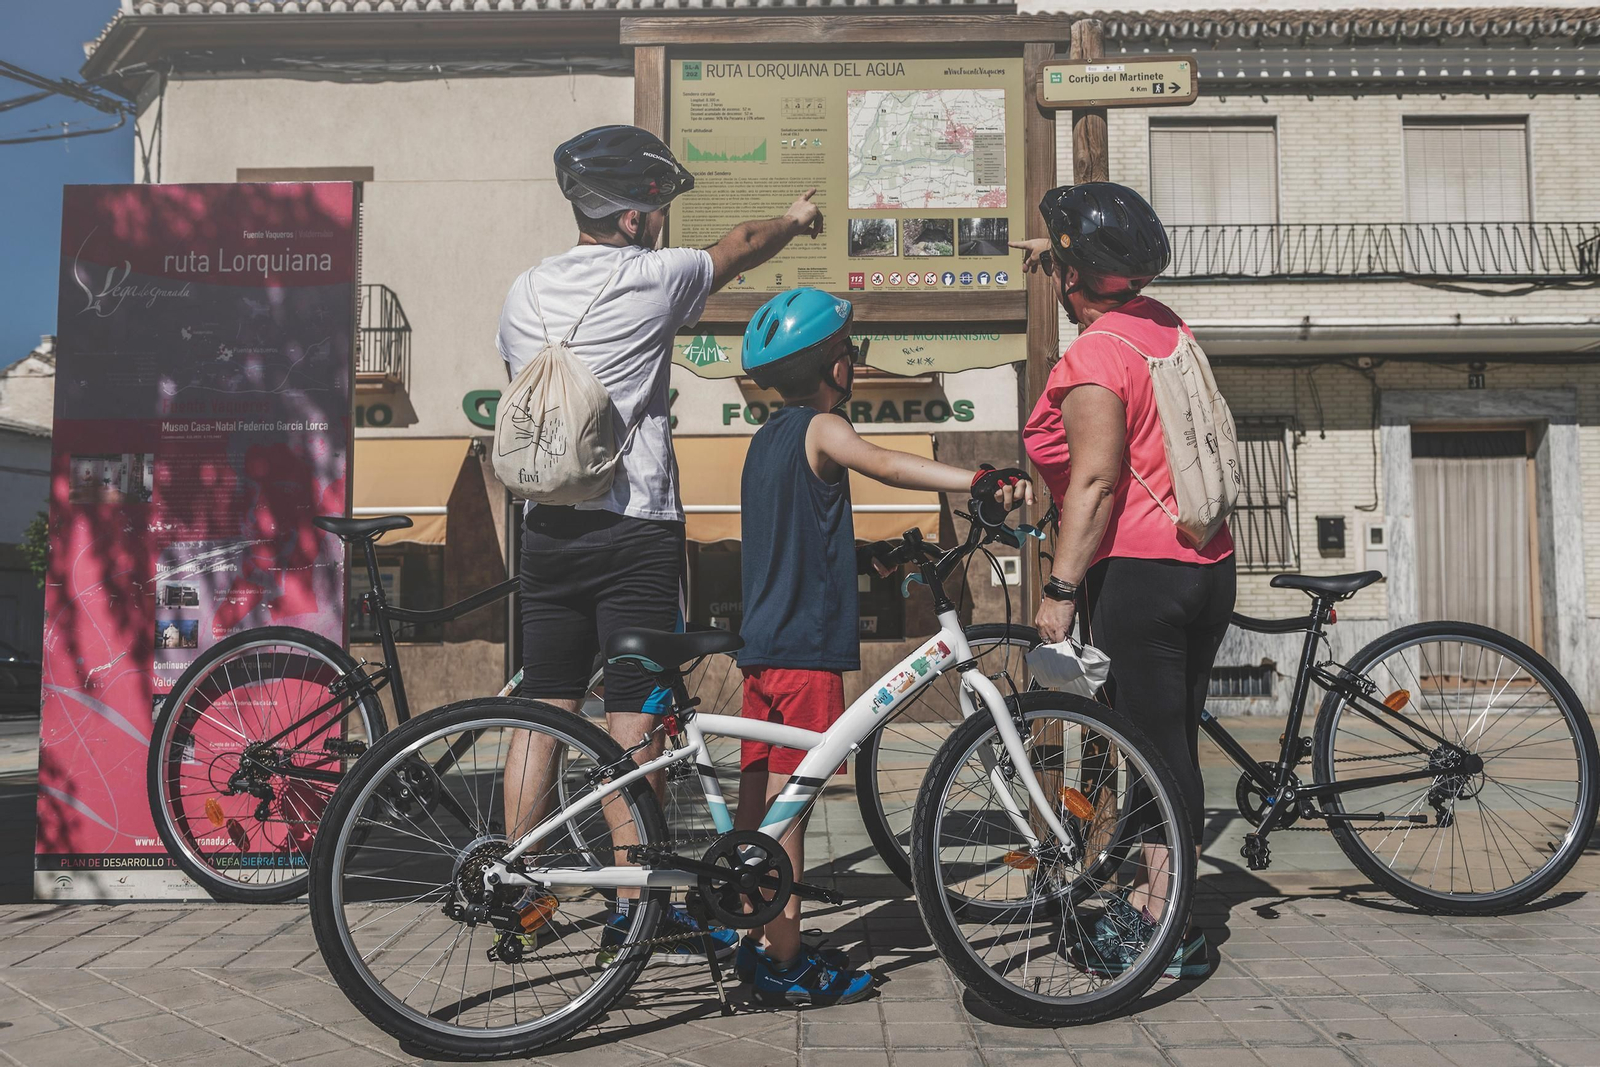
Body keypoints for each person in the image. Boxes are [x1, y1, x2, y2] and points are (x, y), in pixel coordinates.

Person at [497, 125, 823, 966]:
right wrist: (794, 218)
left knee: (543, 706)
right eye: (657, 208)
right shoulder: (653, 279)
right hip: (632, 525)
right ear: (636, 218)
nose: (664, 223)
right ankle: (634, 897)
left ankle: (514, 875)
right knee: (634, 712)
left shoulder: (523, 291)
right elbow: (742, 247)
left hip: (546, 527)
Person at [732, 287, 1031, 1005]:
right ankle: (786, 958)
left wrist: (868, 557)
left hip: (762, 646)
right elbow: (885, 461)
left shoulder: (764, 439)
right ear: (835, 363)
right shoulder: (824, 426)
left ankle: (745, 925)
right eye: (852, 353)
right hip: (805, 649)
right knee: (790, 810)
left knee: (757, 803)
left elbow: (795, 537)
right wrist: (979, 478)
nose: (856, 365)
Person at [1013, 182, 1236, 980]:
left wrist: (1062, 588)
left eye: (1061, 258)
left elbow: (1098, 480)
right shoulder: (1162, 328)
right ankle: (1160, 900)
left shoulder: (1097, 354)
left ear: (1079, 274)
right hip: (1205, 565)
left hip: (1137, 573)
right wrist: (1061, 252)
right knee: (1168, 741)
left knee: (1151, 749)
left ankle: (1167, 924)